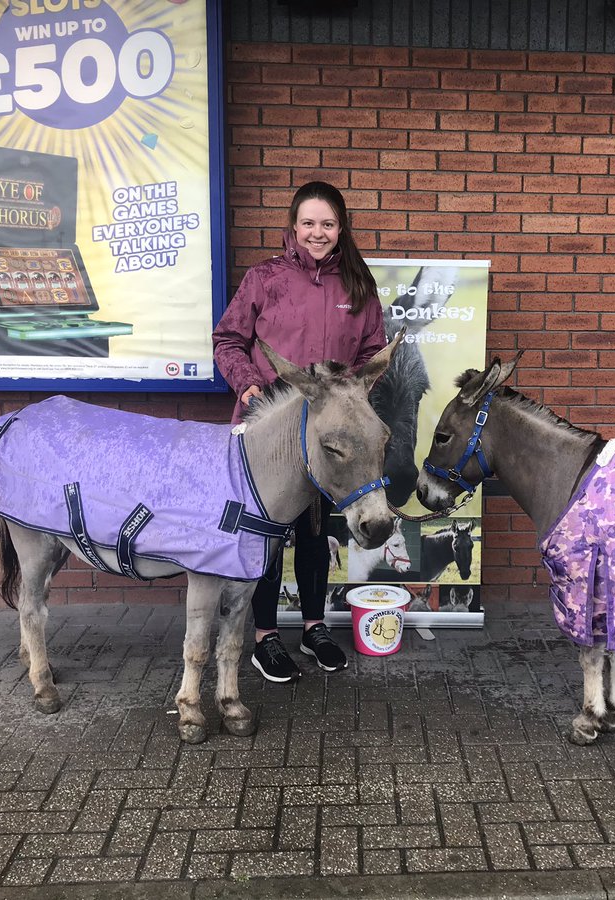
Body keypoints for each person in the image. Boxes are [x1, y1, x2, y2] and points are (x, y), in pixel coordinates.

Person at [213, 181, 387, 682]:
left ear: (340, 229)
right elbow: (228, 340)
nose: (318, 232)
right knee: (267, 535)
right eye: (309, 223)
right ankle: (264, 637)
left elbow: (372, 355)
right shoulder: (265, 278)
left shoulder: (357, 284)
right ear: (293, 226)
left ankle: (314, 626)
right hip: (272, 433)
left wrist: (350, 402)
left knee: (316, 535)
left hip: (330, 439)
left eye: (328, 224)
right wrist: (249, 388)